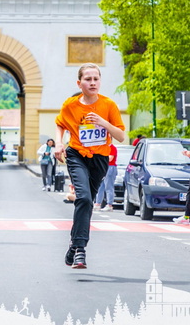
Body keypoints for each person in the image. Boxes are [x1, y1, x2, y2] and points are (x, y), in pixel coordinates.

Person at [54, 63, 125, 269]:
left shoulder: (108, 105)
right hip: (76, 155)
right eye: (88, 79)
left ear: (100, 81)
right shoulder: (70, 105)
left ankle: (73, 245)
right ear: (79, 83)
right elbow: (60, 123)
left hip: (100, 159)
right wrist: (59, 143)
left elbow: (121, 136)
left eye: (96, 79)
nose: (92, 83)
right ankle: (80, 250)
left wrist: (104, 123)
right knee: (84, 198)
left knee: (86, 203)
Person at [94, 144, 118, 212]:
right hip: (102, 167)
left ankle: (109, 204)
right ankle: (98, 203)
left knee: (109, 186)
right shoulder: (102, 147)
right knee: (100, 186)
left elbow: (110, 158)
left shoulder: (112, 147)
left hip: (110, 167)